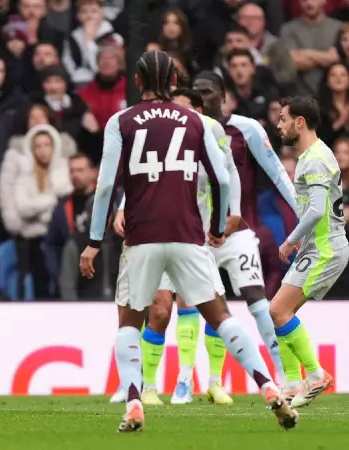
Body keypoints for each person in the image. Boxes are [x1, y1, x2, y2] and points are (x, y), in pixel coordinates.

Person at [79, 51, 297, 432]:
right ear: (176, 81)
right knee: (222, 317)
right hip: (188, 235)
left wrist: (94, 241)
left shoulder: (121, 121)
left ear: (138, 81)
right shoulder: (195, 120)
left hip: (141, 237)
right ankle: (269, 387)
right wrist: (214, 225)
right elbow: (223, 178)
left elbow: (104, 188)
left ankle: (133, 400)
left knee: (130, 323)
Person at [167, 70, 296, 403]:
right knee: (196, 302)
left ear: (223, 95)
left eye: (208, 91)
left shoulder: (246, 128)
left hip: (237, 231)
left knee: (257, 299)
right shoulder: (180, 130)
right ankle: (187, 380)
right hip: (195, 235)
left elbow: (277, 173)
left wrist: (303, 217)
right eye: (196, 92)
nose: (201, 98)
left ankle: (281, 375)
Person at [110, 87, 243, 406]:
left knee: (209, 308)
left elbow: (228, 174)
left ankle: (203, 381)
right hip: (157, 233)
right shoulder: (162, 138)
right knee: (158, 310)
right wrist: (123, 207)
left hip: (196, 236)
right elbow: (144, 175)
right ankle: (148, 386)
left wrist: (232, 213)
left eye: (183, 109)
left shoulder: (208, 134)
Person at [272, 96, 348, 408]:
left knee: (278, 310)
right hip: (316, 247)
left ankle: (316, 375)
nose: (279, 125)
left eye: (283, 119)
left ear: (299, 122)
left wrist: (290, 240)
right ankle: (292, 383)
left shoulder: (316, 158)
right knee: (278, 312)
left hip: (326, 249)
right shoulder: (310, 155)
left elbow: (317, 209)